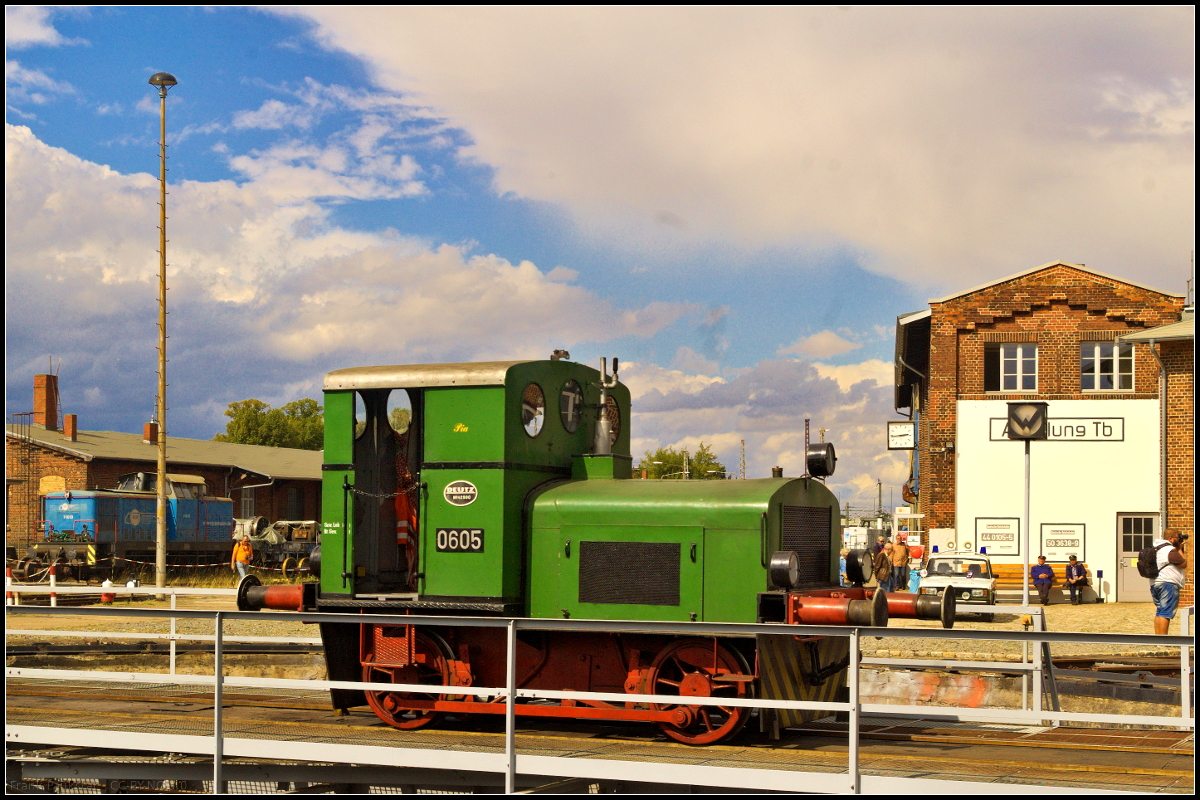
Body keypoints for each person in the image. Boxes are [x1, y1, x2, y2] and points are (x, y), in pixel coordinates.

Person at [1151, 529, 1187, 635]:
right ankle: (1163, 640)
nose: (1179, 539)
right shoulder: (1169, 550)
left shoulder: (1156, 548)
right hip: (1168, 584)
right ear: (1170, 539)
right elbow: (1183, 564)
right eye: (1177, 537)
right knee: (1166, 613)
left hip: (1155, 583)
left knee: (1160, 611)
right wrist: (1179, 549)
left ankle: (1158, 639)